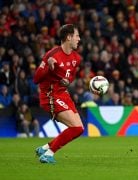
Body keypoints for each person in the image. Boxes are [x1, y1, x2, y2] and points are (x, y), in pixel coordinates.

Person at [33, 24, 83, 164]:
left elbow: (70, 77)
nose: (79, 39)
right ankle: (49, 154)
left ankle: (45, 148)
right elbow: (36, 79)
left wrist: (67, 82)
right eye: (77, 36)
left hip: (63, 94)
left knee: (79, 129)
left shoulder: (76, 58)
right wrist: (48, 67)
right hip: (50, 95)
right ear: (69, 37)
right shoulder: (52, 55)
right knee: (76, 127)